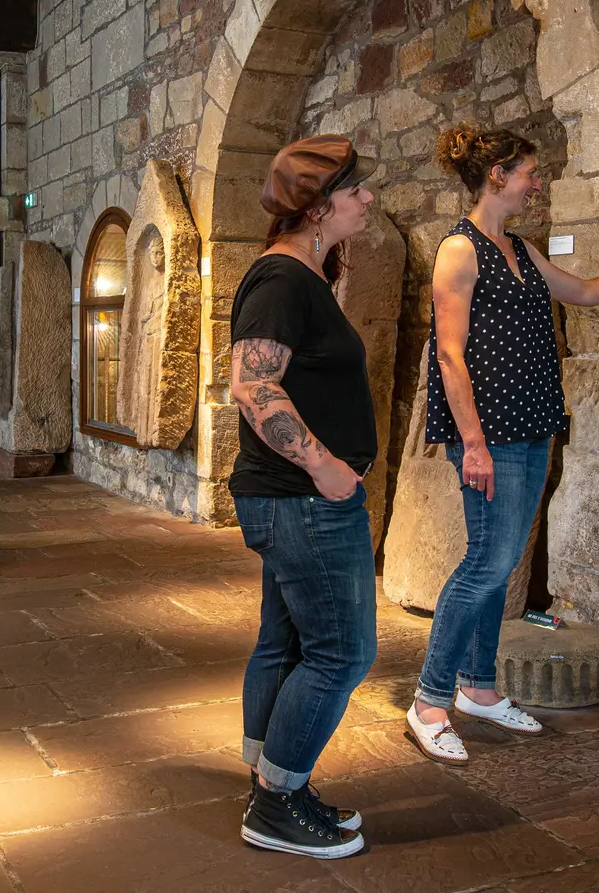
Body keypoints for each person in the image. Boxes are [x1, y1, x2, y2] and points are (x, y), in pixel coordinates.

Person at [406, 122, 599, 765]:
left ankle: (479, 689)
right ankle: (430, 700)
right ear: (498, 176)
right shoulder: (458, 250)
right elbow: (451, 355)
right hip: (488, 433)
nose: (536, 181)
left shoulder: (516, 247)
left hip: (531, 423)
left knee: (502, 564)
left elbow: (585, 291)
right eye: (528, 171)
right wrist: (474, 444)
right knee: (486, 564)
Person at [229, 135, 379, 859]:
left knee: (287, 642)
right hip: (305, 500)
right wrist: (325, 469)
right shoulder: (283, 281)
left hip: (296, 499)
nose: (367, 199)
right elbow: (253, 384)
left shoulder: (301, 275)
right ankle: (276, 803)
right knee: (342, 653)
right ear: (318, 207)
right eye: (356, 191)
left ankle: (274, 777)